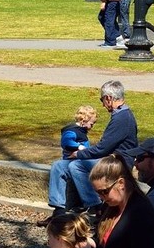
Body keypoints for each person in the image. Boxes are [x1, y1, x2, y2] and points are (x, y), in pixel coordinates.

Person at [48, 80, 138, 214]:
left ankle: (95, 207)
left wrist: (78, 154)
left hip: (118, 162)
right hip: (108, 158)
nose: (103, 104)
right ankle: (59, 210)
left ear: (108, 98)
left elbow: (102, 149)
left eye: (102, 100)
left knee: (76, 165)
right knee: (59, 166)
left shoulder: (122, 118)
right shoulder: (120, 115)